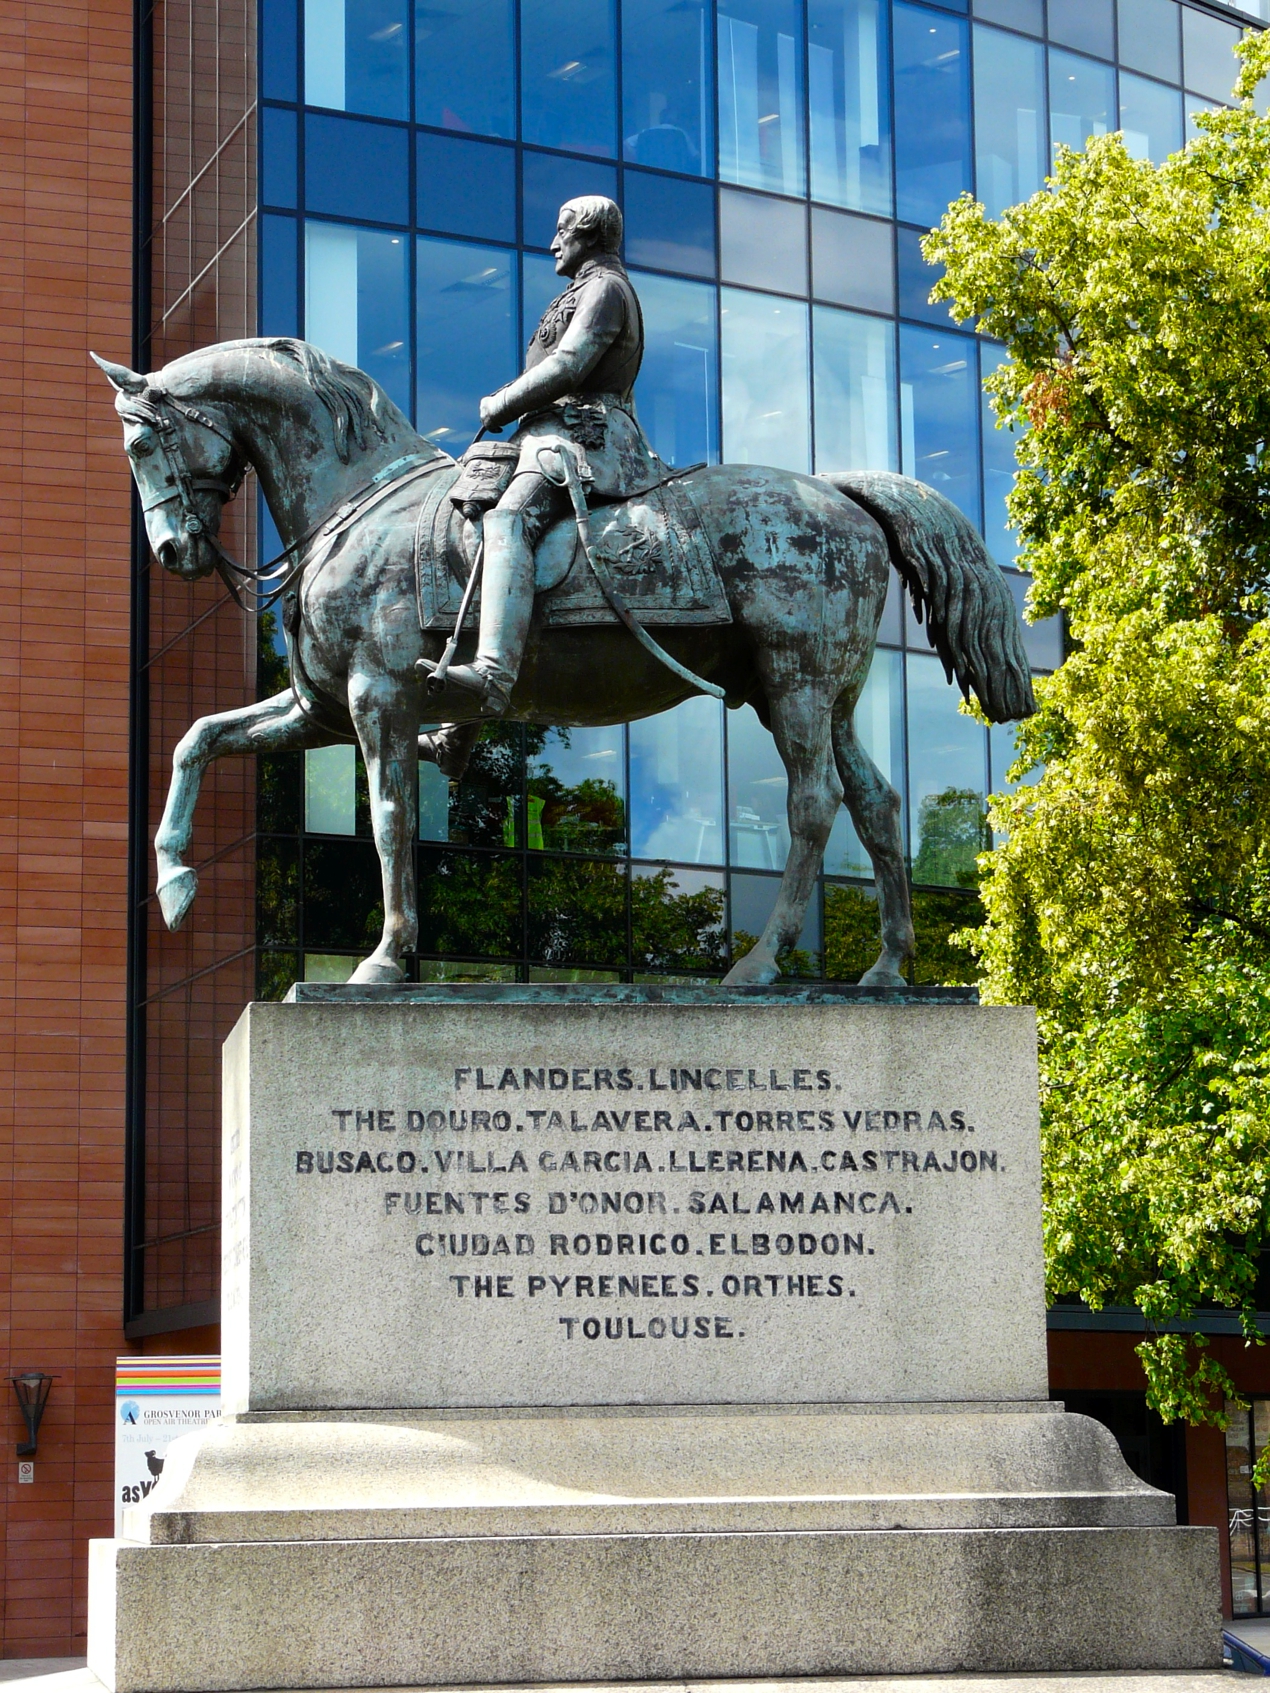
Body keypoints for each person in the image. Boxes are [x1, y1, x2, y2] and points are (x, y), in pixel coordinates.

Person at [419, 194, 663, 714]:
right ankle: (458, 728)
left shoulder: (606, 290)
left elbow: (569, 366)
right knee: (466, 514)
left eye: (563, 231)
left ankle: (492, 674)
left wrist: (500, 402)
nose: (553, 243)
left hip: (587, 439)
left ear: (591, 236)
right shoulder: (581, 290)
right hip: (547, 435)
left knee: (508, 521)